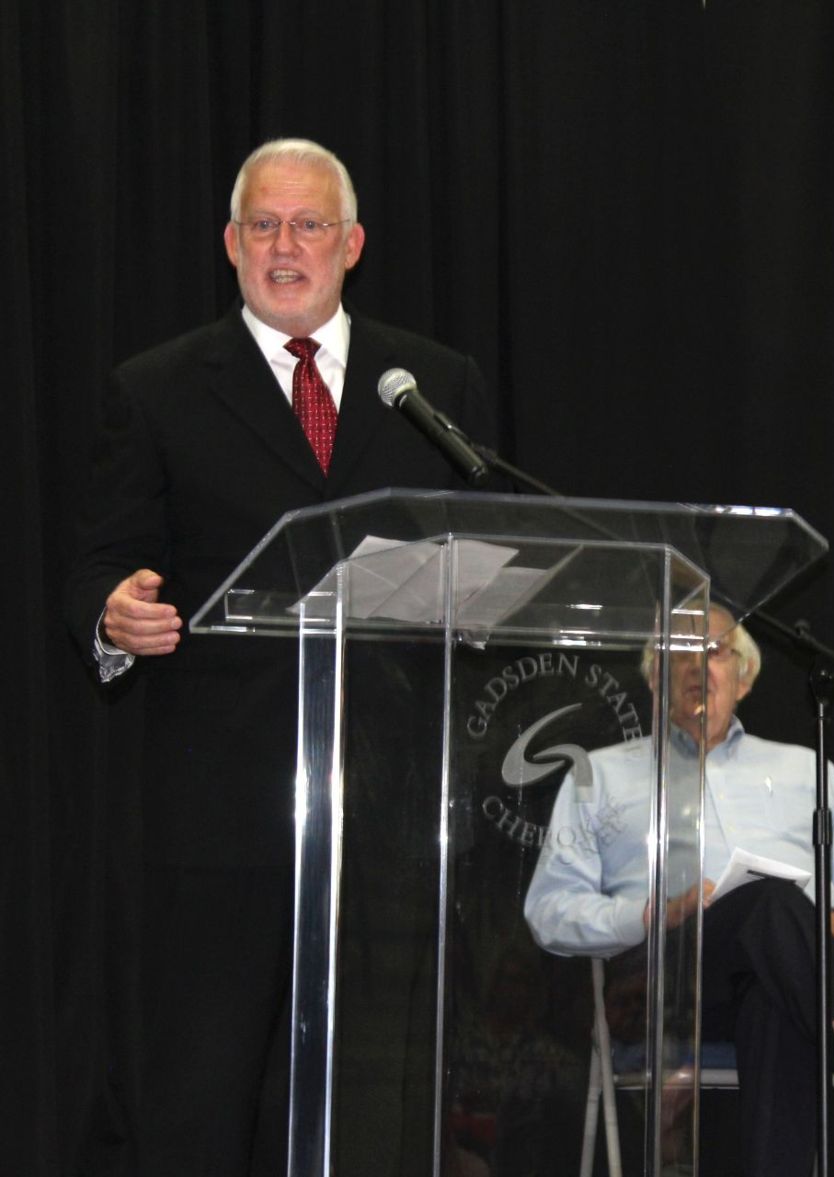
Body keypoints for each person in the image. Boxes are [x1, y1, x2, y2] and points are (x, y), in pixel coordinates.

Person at [63, 137, 497, 1176]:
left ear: (351, 244)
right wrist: (111, 614)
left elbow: (491, 546)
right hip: (220, 812)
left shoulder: (431, 385)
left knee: (372, 1104)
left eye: (308, 225)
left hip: (392, 804)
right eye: (264, 225)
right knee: (202, 1094)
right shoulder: (158, 388)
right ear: (230, 243)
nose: (285, 245)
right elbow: (104, 563)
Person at [524, 604, 834, 1177]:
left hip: (787, 977)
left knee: (775, 984)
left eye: (714, 651)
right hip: (662, 984)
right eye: (678, 652)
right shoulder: (601, 775)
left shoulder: (807, 771)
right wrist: (652, 912)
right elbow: (549, 909)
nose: (697, 666)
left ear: (745, 677)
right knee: (774, 902)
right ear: (655, 677)